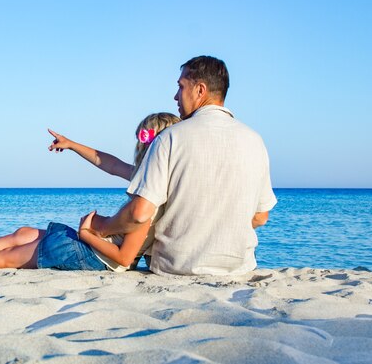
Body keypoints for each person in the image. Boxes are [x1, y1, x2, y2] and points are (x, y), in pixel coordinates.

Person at [79, 56, 277, 276]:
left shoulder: (170, 138)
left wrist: (101, 227)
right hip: (238, 269)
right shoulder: (255, 140)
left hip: (178, 267)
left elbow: (139, 213)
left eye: (181, 87)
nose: (176, 96)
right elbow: (261, 216)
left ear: (200, 90)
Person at [0, 112, 180, 271]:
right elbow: (108, 163)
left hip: (94, 254)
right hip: (94, 247)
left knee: (10, 258)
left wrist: (86, 234)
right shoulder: (146, 178)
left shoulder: (150, 199)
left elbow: (124, 259)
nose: (138, 147)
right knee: (25, 234)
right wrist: (72, 144)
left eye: (143, 143)